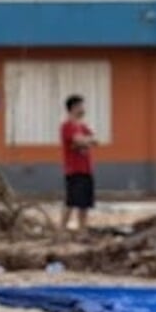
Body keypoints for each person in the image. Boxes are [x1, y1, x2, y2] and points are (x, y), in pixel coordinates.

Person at [59, 94, 96, 235]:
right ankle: (62, 230)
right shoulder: (67, 126)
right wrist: (84, 141)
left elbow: (92, 139)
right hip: (74, 169)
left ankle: (82, 231)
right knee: (71, 201)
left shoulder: (82, 126)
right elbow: (80, 141)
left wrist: (84, 141)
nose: (83, 109)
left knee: (84, 203)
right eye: (80, 106)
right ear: (73, 108)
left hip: (86, 168)